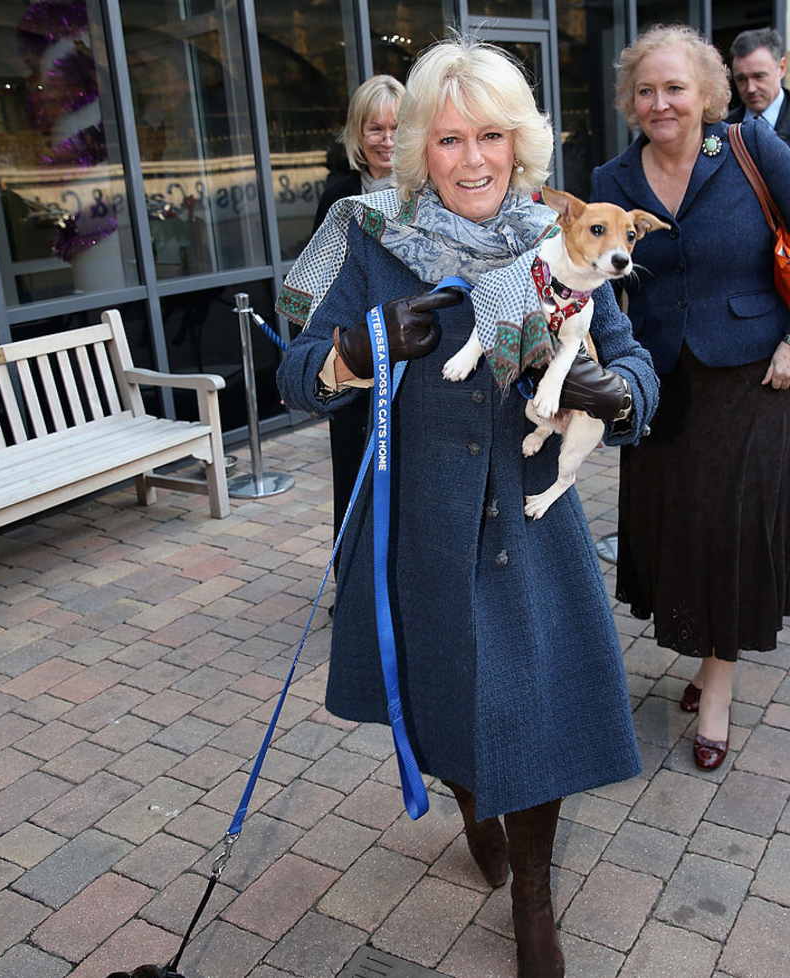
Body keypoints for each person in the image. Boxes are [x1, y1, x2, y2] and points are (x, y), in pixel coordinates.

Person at [277, 36, 659, 978]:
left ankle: (534, 890)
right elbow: (294, 373)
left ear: (520, 144)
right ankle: (465, 802)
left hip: (528, 522)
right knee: (442, 696)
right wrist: (357, 356)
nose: (473, 159)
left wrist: (620, 395)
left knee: (536, 711)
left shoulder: (561, 235)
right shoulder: (372, 238)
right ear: (415, 149)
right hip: (418, 523)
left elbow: (634, 358)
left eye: (491, 135)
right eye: (448, 140)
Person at [591, 24, 790, 772]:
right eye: (646, 89)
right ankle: (708, 657)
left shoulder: (745, 149)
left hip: (748, 377)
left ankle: (718, 690)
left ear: (707, 92)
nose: (661, 101)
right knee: (676, 527)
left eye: (675, 87)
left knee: (729, 532)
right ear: (629, 100)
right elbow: (590, 274)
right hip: (656, 381)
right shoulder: (612, 178)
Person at [313, 75, 405, 577]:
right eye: (375, 128)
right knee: (351, 472)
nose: (386, 139)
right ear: (357, 133)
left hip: (413, 354)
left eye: (396, 127)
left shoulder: (428, 191)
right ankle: (350, 584)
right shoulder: (337, 197)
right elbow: (318, 278)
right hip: (353, 355)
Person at [726, 27, 790, 144]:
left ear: (781, 69)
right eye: (741, 79)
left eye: (759, 76)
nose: (750, 88)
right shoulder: (724, 128)